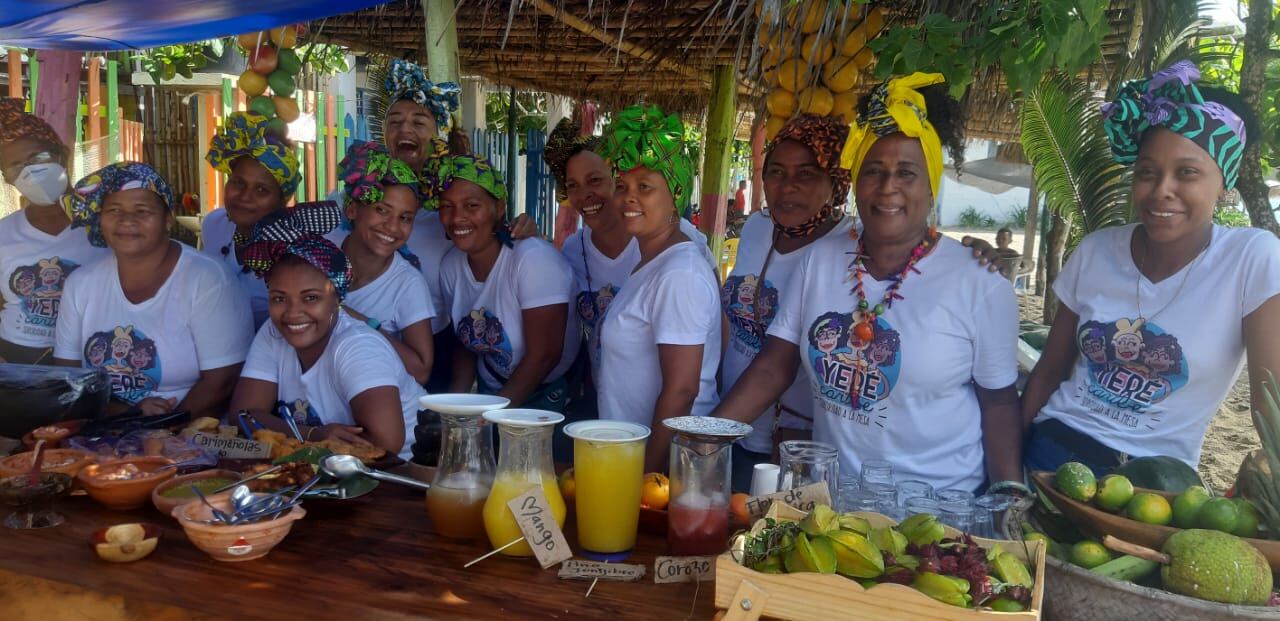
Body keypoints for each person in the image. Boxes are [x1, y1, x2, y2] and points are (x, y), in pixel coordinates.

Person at [712, 74, 1023, 492]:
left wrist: (1009, 494)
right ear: (855, 182)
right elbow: (774, 365)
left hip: (938, 511)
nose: (888, 187)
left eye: (906, 173)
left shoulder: (979, 283)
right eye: (873, 171)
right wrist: (705, 437)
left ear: (931, 186)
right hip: (830, 505)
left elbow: (1000, 402)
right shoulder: (820, 260)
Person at [1021, 62, 1280, 474]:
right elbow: (1049, 372)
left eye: (1187, 173)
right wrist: (1003, 472)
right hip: (1053, 451)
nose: (1162, 191)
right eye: (1147, 172)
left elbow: (1271, 405)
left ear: (1225, 183)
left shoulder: (1252, 258)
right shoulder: (1096, 252)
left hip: (1156, 481)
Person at [721, 115, 857, 492]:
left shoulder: (852, 250)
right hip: (733, 424)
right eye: (777, 172)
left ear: (836, 183)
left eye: (807, 174)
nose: (788, 187)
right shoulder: (757, 228)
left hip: (794, 446)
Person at [55, 162, 253, 417]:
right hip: (101, 434)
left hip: (191, 434)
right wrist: (128, 415)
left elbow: (222, 383)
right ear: (100, 219)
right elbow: (69, 380)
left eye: (142, 211)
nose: (127, 220)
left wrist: (163, 429)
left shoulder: (208, 279)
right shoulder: (80, 284)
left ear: (167, 219)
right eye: (114, 210)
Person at [594, 105, 721, 473]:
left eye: (645, 187)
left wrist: (646, 477)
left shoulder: (679, 273)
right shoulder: (653, 261)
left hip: (666, 467)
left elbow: (683, 390)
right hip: (631, 454)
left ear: (674, 195)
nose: (628, 197)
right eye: (622, 186)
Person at [230, 228, 425, 460]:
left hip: (403, 471)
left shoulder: (359, 347)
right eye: (279, 298)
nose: (292, 313)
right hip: (329, 469)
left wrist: (300, 436)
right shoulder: (273, 333)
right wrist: (313, 434)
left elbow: (385, 446)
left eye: (310, 298)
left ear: (337, 299)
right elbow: (242, 415)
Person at [546, 116, 714, 384]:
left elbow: (717, 330)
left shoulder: (677, 239)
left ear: (617, 179)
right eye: (573, 186)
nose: (584, 195)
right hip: (609, 407)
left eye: (595, 181)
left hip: (666, 413)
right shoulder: (572, 251)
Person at [428, 155, 580, 411]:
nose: (457, 217)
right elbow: (465, 348)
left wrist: (485, 420)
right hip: (494, 394)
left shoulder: (532, 260)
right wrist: (454, 411)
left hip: (545, 399)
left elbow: (544, 356)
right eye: (447, 206)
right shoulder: (451, 266)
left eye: (472, 205)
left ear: (498, 208)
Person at [0, 99, 109, 364]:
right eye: (15, 166)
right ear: (7, 178)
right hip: (19, 359)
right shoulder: (4, 233)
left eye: (38, 158)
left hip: (93, 356)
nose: (31, 171)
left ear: (61, 155)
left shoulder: (106, 226)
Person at [326, 141, 436, 384]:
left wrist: (352, 318)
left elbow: (421, 370)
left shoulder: (407, 284)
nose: (392, 226)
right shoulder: (320, 255)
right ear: (352, 209)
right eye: (382, 210)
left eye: (405, 218)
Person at [202, 112, 305, 328]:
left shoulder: (295, 253)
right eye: (238, 182)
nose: (245, 197)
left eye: (261, 190)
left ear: (282, 200)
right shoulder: (214, 225)